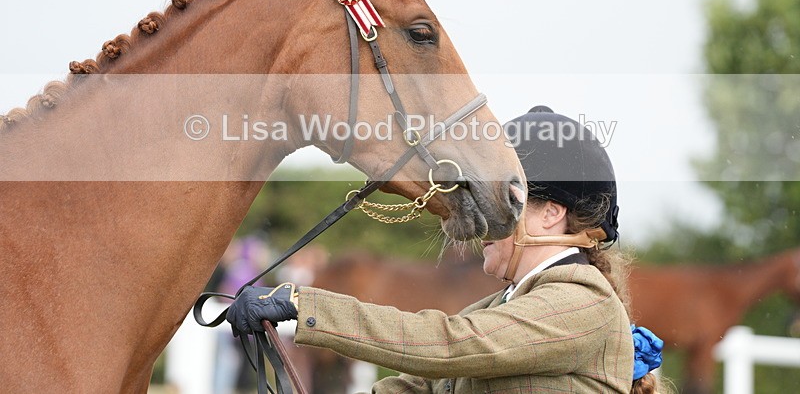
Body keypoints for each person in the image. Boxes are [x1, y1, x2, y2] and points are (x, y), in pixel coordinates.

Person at [226, 106, 665, 393]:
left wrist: (305, 305)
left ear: (551, 213)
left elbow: (449, 343)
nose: (480, 222)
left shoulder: (583, 301)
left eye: (501, 201)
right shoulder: (500, 306)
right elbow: (415, 387)